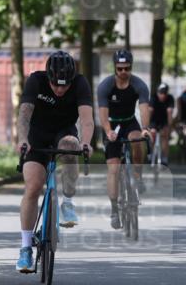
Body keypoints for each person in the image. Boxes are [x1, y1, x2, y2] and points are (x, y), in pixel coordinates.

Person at [15, 51, 93, 272]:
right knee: (33, 186)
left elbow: (87, 120)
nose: (60, 90)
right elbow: (24, 115)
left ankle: (68, 202)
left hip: (63, 132)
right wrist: (22, 140)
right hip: (37, 135)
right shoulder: (36, 81)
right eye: (55, 85)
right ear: (48, 76)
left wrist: (86, 142)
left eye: (64, 85)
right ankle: (26, 249)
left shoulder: (80, 84)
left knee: (71, 145)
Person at [97, 49, 151, 230]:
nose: (123, 72)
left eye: (127, 68)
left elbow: (144, 109)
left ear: (131, 67)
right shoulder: (105, 86)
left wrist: (145, 128)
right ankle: (114, 209)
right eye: (119, 69)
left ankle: (137, 176)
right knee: (113, 168)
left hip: (129, 122)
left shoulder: (139, 85)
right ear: (115, 68)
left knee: (137, 140)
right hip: (111, 125)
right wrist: (108, 131)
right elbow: (103, 114)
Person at [148, 83, 175, 165]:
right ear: (157, 92)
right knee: (152, 134)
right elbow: (149, 112)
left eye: (165, 93)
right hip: (154, 120)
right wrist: (147, 126)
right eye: (161, 93)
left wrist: (170, 127)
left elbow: (170, 113)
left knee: (165, 136)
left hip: (164, 121)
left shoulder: (170, 98)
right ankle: (150, 154)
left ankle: (164, 158)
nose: (163, 95)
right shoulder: (153, 98)